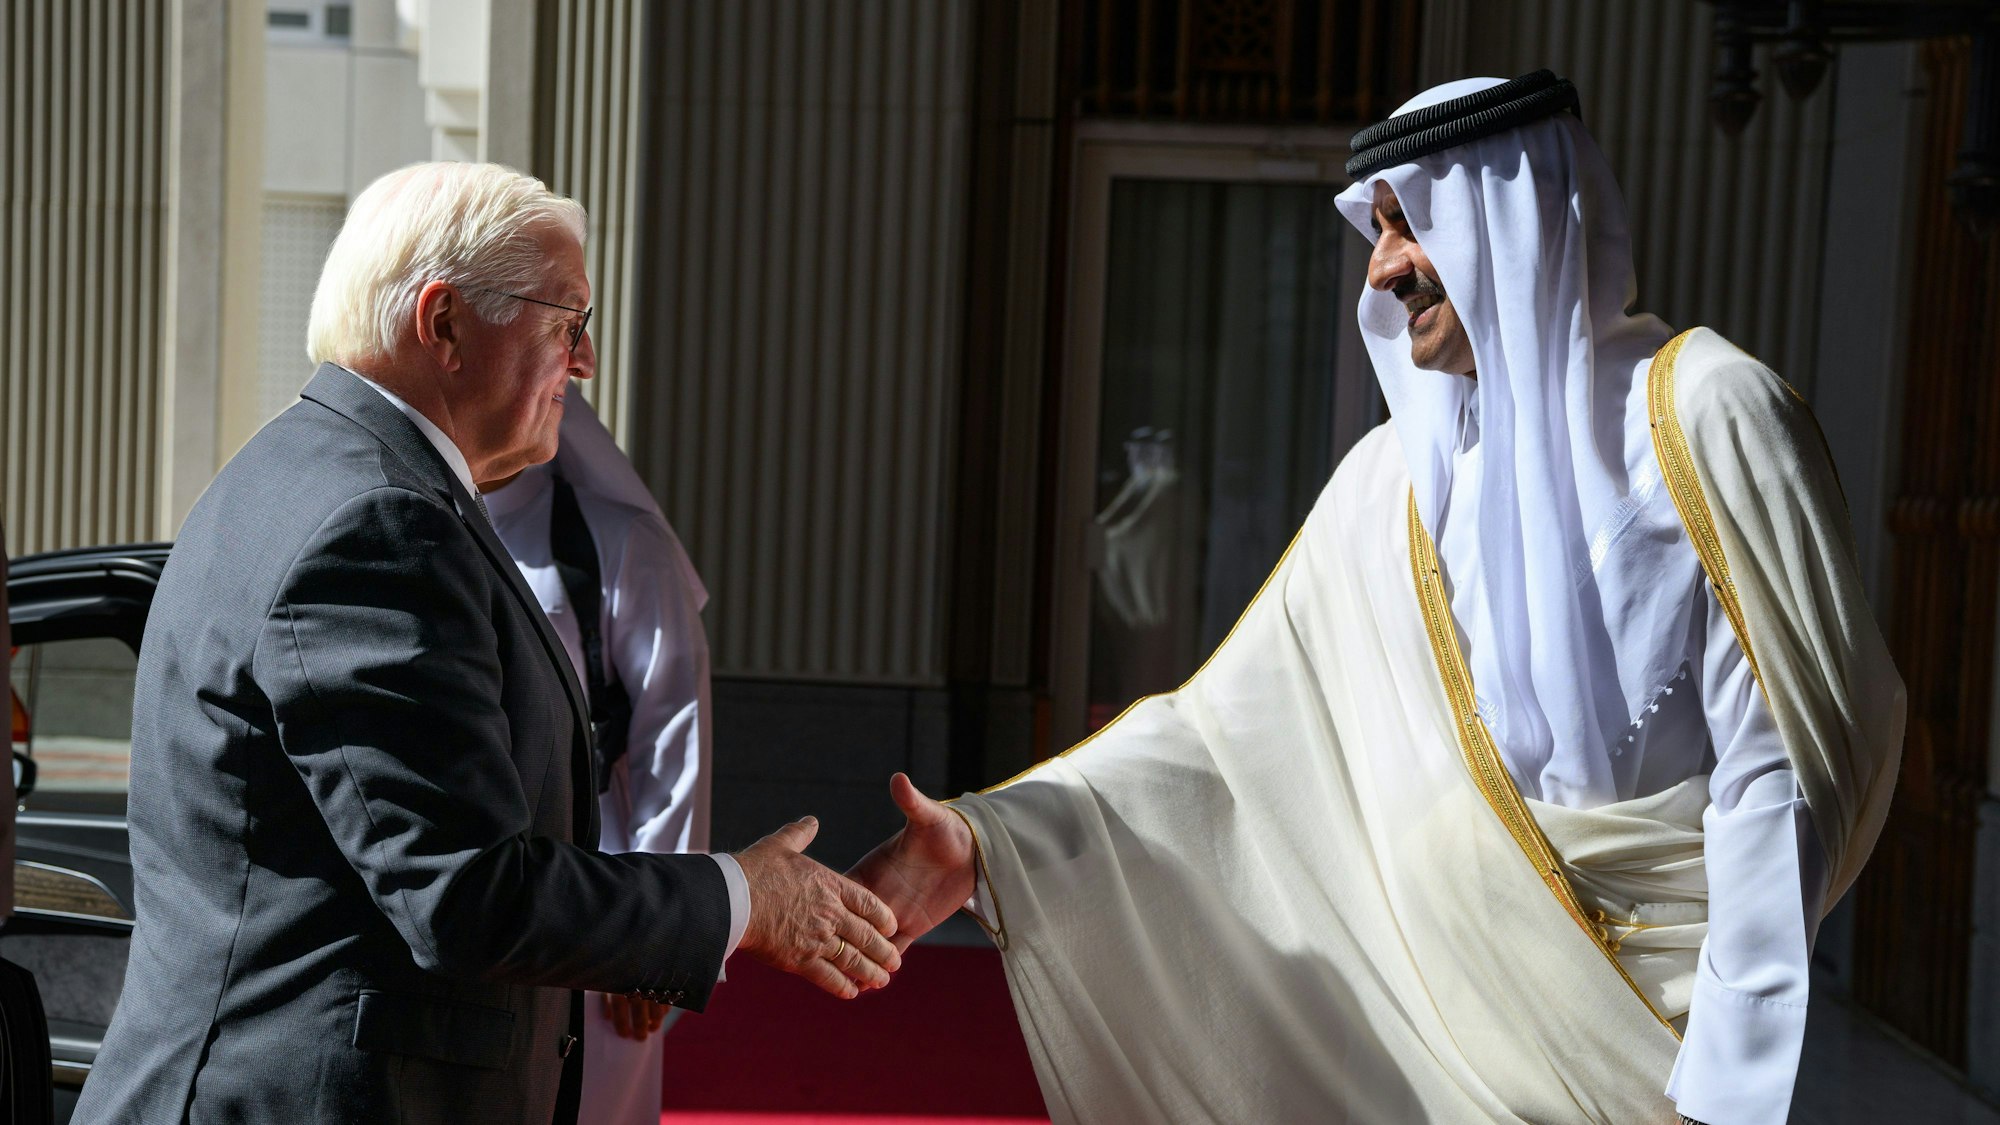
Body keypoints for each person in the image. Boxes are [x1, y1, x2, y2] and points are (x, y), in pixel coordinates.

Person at [851, 72, 1903, 1124]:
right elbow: (1217, 735)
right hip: (1442, 1037)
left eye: (1410, 223)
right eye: (1378, 228)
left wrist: (1730, 1085)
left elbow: (1778, 778)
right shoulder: (1391, 483)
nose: (1384, 265)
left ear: (1515, 210)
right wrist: (991, 840)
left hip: (1655, 1042)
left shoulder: (1706, 416)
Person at [74, 162, 900, 1125]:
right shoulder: (380, 523)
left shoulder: (317, 469)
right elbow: (467, 894)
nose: (584, 361)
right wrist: (742, 899)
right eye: (567, 322)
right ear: (445, 323)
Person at [481, 394, 712, 1124]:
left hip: (601, 871)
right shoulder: (417, 521)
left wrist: (660, 933)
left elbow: (674, 738)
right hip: (465, 876)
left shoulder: (619, 542)